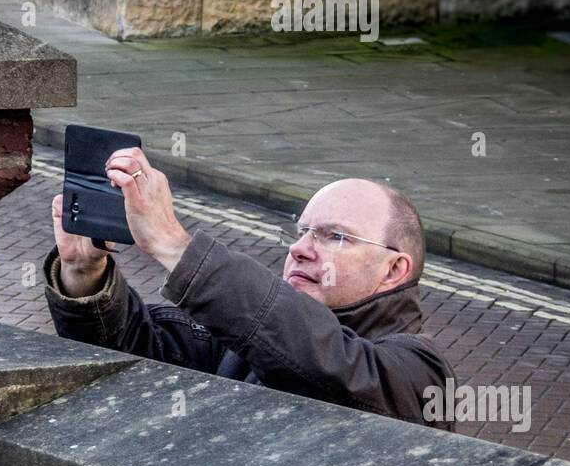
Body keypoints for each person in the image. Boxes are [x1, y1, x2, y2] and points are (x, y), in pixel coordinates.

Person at [44, 148, 454, 428]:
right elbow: (135, 352)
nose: (300, 249)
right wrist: (84, 271)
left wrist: (172, 244)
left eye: (335, 237)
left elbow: (326, 364)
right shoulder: (245, 341)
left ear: (394, 269)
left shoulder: (420, 373)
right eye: (302, 232)